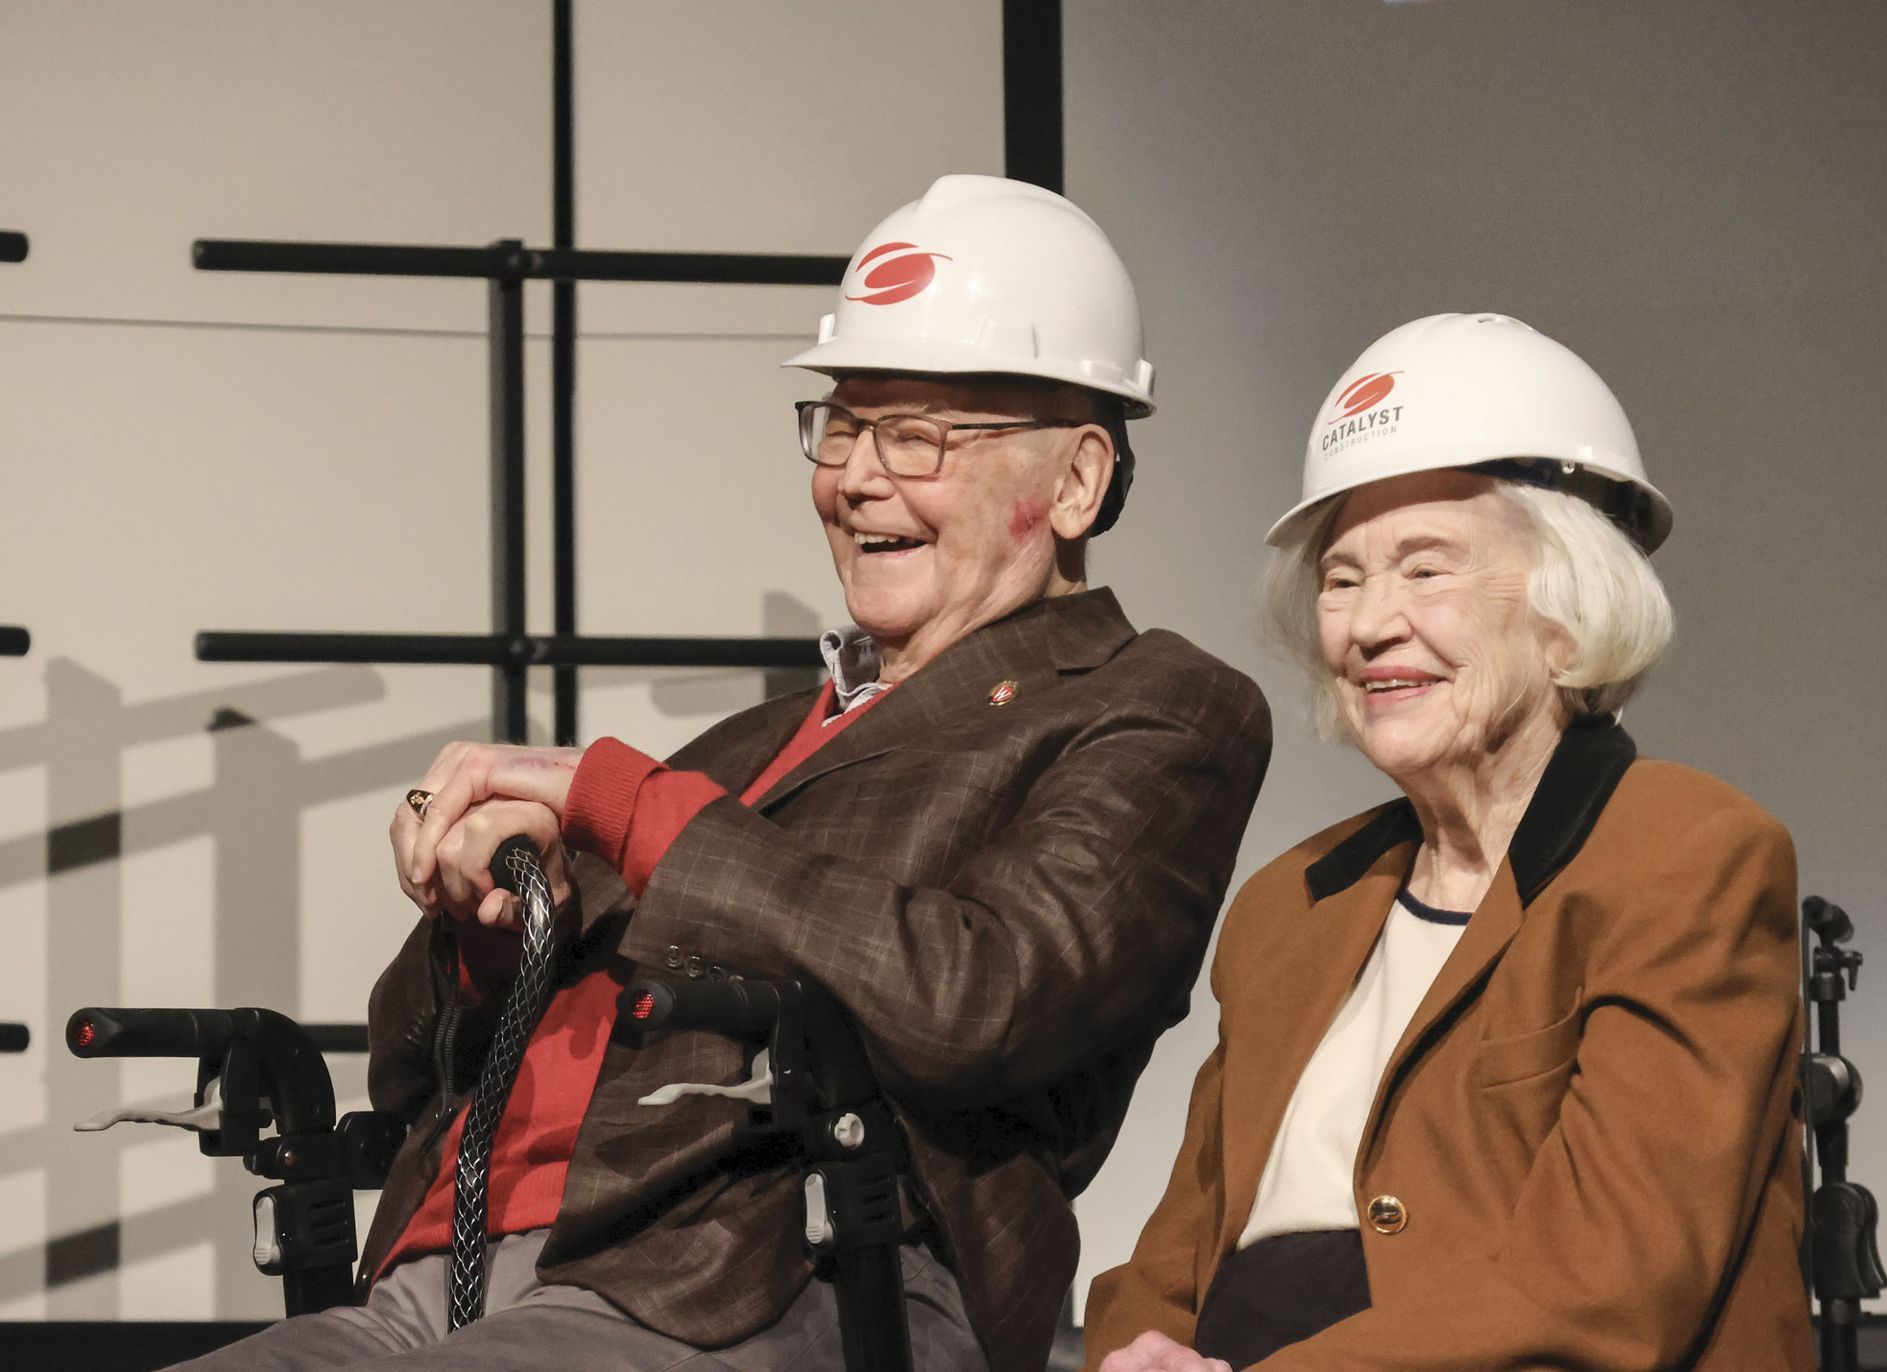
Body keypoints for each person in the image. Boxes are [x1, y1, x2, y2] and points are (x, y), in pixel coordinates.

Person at [181, 175, 1270, 1372]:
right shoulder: (740, 753)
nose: (856, 478)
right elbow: (402, 1063)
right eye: (842, 426)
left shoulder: (1151, 706)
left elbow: (987, 998)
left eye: (915, 436)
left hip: (759, 1270)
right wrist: (490, 927)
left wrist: (633, 810)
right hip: (444, 1278)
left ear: (1076, 480)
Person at [1085, 313, 1812, 1371]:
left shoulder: (1687, 852)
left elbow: (1602, 1289)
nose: (1369, 623)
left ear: (1568, 609)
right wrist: (1132, 1354)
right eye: (1342, 577)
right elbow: (1172, 1258)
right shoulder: (1294, 901)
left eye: (1426, 571)